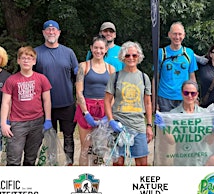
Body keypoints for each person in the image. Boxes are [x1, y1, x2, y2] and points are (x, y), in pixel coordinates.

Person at [34, 20, 79, 165]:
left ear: (59, 33)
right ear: (43, 33)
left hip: (67, 103)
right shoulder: (36, 53)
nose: (51, 32)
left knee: (68, 137)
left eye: (54, 30)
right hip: (45, 106)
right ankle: (52, 165)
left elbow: (77, 76)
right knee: (49, 138)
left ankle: (69, 164)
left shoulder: (69, 52)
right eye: (48, 30)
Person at [0, 46, 52, 166]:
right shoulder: (11, 80)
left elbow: (47, 100)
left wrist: (48, 119)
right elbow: (5, 103)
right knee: (13, 158)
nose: (26, 61)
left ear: (34, 61)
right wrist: (3, 123)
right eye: (23, 58)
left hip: (37, 122)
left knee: (31, 158)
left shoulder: (41, 78)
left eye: (29, 58)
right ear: (18, 61)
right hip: (17, 123)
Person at [154, 80, 214, 166]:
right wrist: (163, 128)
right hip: (183, 161)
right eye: (186, 93)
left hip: (203, 160)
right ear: (181, 93)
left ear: (197, 94)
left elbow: (209, 141)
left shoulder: (204, 114)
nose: (189, 96)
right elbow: (172, 141)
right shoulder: (174, 114)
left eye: (193, 93)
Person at [104, 41, 153, 166]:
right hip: (119, 124)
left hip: (138, 125)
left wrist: (149, 125)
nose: (131, 58)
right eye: (127, 55)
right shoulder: (115, 76)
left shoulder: (144, 77)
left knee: (142, 163)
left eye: (134, 55)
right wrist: (111, 121)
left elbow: (147, 103)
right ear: (122, 57)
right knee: (118, 163)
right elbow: (107, 100)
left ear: (139, 57)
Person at [75, 35, 116, 166]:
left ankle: (98, 176)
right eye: (96, 48)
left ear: (106, 50)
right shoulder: (84, 66)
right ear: (91, 48)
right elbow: (79, 92)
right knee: (86, 149)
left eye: (101, 48)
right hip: (86, 107)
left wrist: (107, 115)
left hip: (103, 108)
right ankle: (82, 178)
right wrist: (86, 113)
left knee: (100, 148)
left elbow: (112, 95)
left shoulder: (111, 69)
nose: (98, 51)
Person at [155, 21, 198, 112]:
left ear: (184, 35)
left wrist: (195, 97)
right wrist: (154, 100)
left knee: (183, 125)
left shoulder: (189, 53)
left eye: (180, 34)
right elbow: (155, 78)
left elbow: (192, 76)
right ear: (169, 35)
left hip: (185, 96)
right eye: (174, 34)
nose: (177, 37)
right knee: (166, 125)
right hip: (165, 96)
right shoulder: (161, 53)